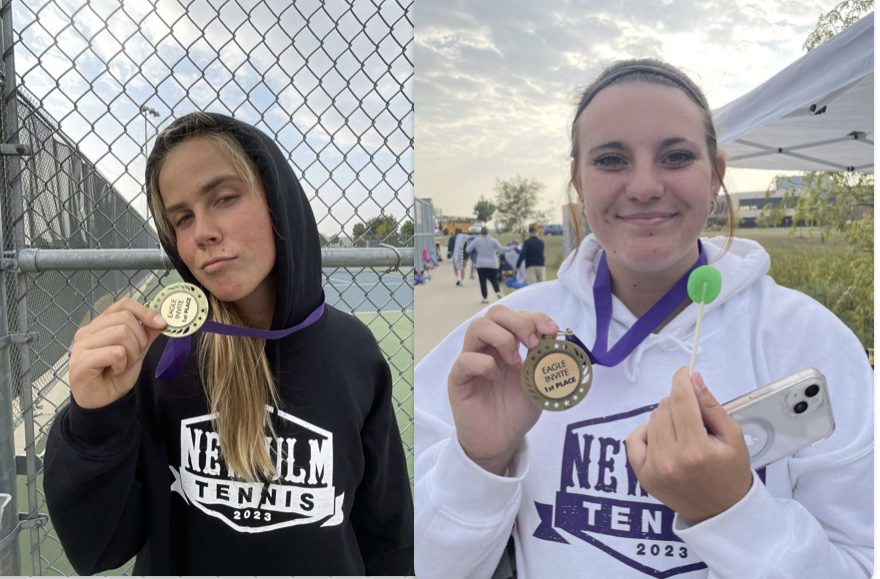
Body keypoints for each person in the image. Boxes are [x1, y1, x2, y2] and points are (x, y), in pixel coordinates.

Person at [414, 59, 872, 579]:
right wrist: (480, 460)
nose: (646, 185)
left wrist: (732, 511)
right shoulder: (502, 347)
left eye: (676, 156)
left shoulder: (809, 341)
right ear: (578, 183)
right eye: (611, 160)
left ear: (716, 175)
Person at [43, 112, 414, 575]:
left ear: (277, 199)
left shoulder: (354, 351)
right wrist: (94, 417)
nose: (202, 233)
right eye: (182, 218)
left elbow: (388, 535)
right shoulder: (160, 357)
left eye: (224, 198)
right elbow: (99, 548)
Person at [465, 226, 505, 304]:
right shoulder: (493, 240)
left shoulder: (477, 240)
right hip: (493, 263)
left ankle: (485, 298)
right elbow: (501, 249)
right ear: (488, 232)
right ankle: (498, 292)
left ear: (480, 233)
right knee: (494, 279)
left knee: (482, 281)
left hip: (481, 264)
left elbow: (468, 249)